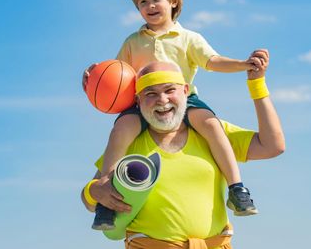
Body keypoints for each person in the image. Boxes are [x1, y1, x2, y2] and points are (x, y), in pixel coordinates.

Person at [83, 0, 264, 230]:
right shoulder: (133, 41)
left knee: (213, 126)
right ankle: (105, 198)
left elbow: (212, 61)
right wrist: (92, 79)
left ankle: (237, 189)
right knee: (121, 128)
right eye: (142, 2)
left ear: (173, 1)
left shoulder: (188, 38)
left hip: (184, 101)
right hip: (143, 103)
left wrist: (243, 64)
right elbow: (118, 75)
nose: (149, 6)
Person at [81, 57, 285, 248]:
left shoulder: (213, 132)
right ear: (138, 100)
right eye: (150, 93)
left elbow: (272, 145)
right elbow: (90, 198)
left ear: (186, 91)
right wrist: (93, 192)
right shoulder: (128, 140)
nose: (162, 100)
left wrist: (257, 84)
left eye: (170, 90)